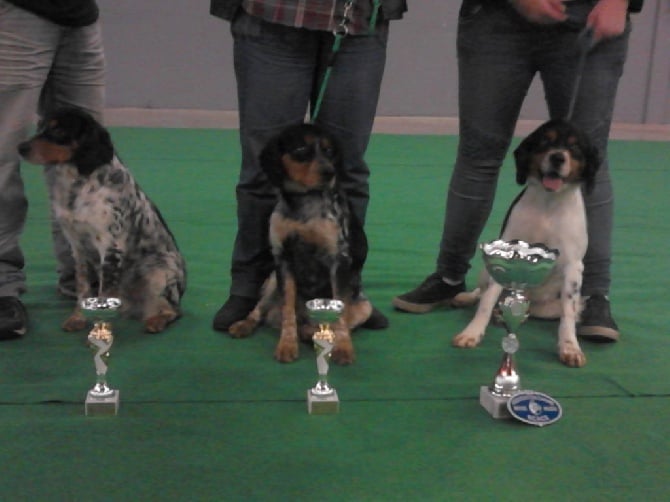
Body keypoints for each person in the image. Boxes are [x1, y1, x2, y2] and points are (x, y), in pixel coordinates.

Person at [393, 0, 644, 342]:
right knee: (478, 155)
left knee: (589, 162)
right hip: (496, 19)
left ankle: (594, 296)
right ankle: (449, 277)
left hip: (591, 16)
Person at [209, 0, 407, 331]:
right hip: (272, 14)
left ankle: (348, 292)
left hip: (358, 20)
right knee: (263, 172)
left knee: (347, 171)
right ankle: (249, 290)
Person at [0, 0, 105, 339]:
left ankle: (81, 277)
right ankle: (2, 285)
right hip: (15, 14)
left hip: (80, 17)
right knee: (1, 156)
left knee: (86, 159)